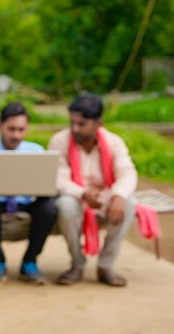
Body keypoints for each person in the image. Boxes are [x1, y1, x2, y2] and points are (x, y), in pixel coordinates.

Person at [0, 102, 57, 286]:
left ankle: (30, 262)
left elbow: (48, 184)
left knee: (49, 208)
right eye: (11, 129)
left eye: (21, 129)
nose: (16, 135)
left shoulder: (36, 151)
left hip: (26, 200)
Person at [48, 93, 137, 287]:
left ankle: (105, 266)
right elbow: (58, 179)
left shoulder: (114, 142)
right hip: (75, 196)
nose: (74, 128)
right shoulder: (59, 141)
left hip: (105, 196)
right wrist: (83, 194)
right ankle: (77, 264)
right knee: (65, 206)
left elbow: (128, 173)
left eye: (81, 124)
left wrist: (118, 196)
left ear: (98, 124)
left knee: (129, 204)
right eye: (72, 122)